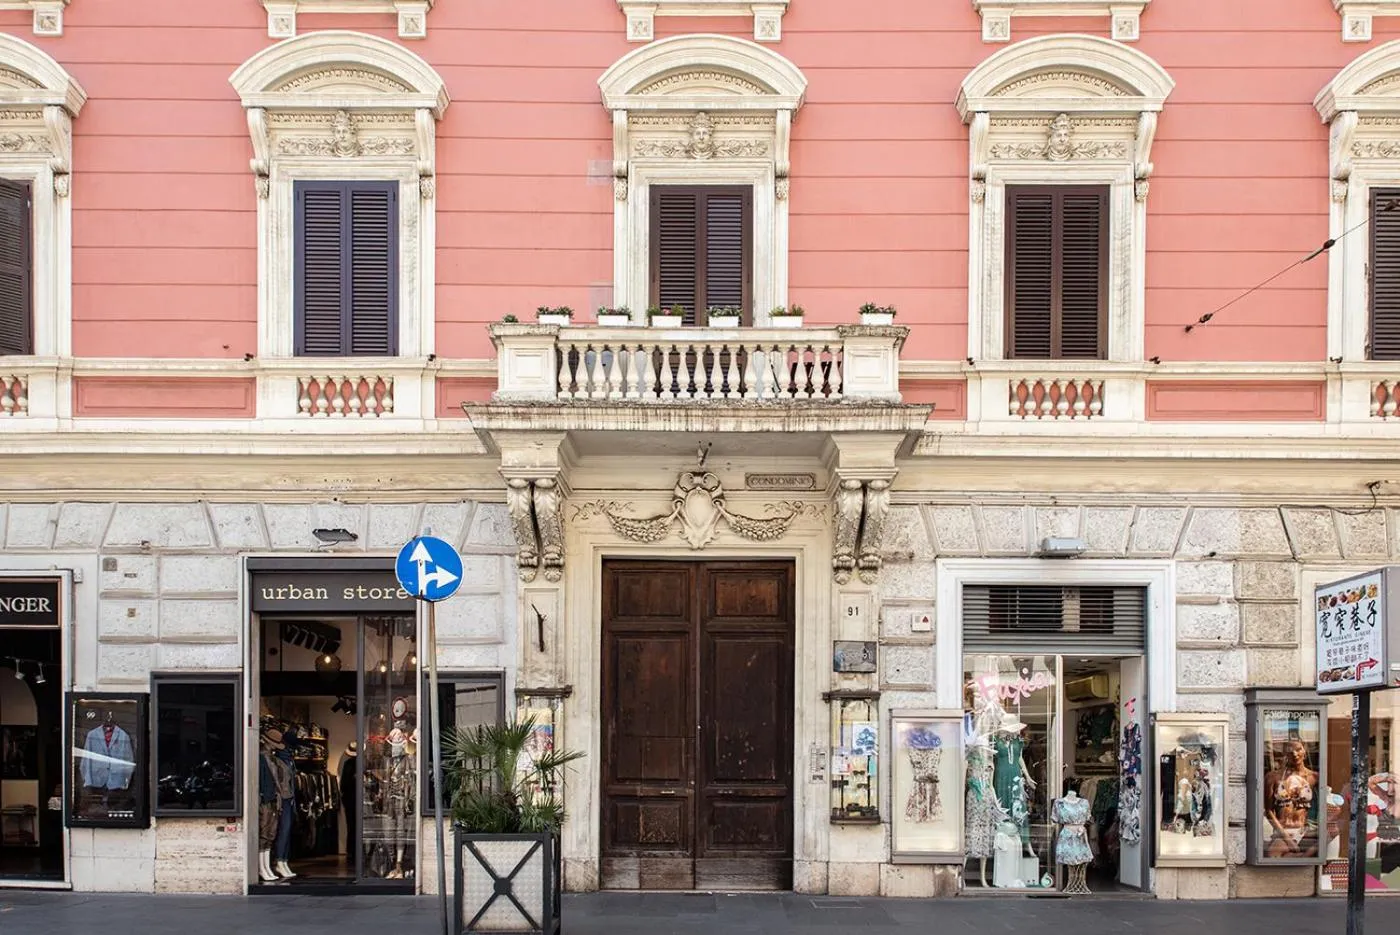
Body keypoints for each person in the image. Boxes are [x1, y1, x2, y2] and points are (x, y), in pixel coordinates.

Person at [1264, 738, 1319, 858]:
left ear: (1305, 750)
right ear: (1285, 754)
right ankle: (1301, 856)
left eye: (1298, 749)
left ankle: (1300, 856)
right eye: (1290, 751)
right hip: (1284, 830)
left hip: (1305, 830)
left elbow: (1327, 802)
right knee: (1273, 855)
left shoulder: (1314, 777)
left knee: (1327, 838)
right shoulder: (1273, 777)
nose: (1295, 754)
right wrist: (1287, 838)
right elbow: (1268, 811)